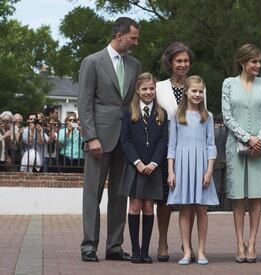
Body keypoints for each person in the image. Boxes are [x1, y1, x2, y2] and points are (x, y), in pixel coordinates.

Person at [78, 17, 141, 262]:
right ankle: (89, 247)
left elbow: (133, 103)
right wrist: (91, 136)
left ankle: (114, 246)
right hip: (99, 140)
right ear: (119, 35)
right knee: (93, 193)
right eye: (133, 38)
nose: (135, 42)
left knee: (119, 194)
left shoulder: (135, 64)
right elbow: (84, 104)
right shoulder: (92, 62)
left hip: (125, 141)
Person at [221, 44, 261, 263]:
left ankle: (252, 243)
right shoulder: (228, 84)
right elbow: (227, 116)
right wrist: (247, 138)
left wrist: (259, 139)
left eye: (260, 61)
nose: (258, 65)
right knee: (239, 197)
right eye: (254, 61)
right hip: (236, 146)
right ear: (243, 62)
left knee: (256, 195)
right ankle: (239, 242)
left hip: (260, 148)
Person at [167, 75, 219, 265]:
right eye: (194, 91)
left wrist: (209, 170)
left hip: (201, 167)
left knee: (202, 209)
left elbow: (211, 145)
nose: (197, 94)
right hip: (182, 167)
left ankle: (202, 251)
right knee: (185, 209)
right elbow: (171, 146)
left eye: (200, 91)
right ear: (186, 92)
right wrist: (171, 172)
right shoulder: (176, 116)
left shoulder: (208, 116)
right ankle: (187, 251)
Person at [155, 42, 199, 262]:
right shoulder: (159, 87)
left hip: (191, 151)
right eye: (179, 60)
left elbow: (202, 116)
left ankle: (187, 244)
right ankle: (162, 242)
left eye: (186, 60)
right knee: (165, 199)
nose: (183, 64)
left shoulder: (197, 85)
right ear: (170, 63)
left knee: (188, 200)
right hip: (166, 150)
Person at [119, 73, 168, 264]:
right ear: (138, 91)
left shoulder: (161, 113)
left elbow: (163, 141)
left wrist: (154, 163)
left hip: (153, 168)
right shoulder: (128, 112)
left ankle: (146, 251)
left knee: (148, 207)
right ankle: (136, 251)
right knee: (135, 205)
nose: (148, 92)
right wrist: (138, 162)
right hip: (135, 166)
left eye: (151, 88)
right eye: (144, 89)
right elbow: (125, 140)